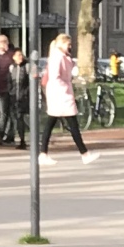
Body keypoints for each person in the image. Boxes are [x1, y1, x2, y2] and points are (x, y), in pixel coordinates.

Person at [39, 31, 90, 161]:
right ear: (61, 44)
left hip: (61, 93)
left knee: (52, 123)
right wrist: (65, 89)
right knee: (72, 124)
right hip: (60, 94)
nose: (70, 46)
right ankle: (84, 153)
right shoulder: (58, 57)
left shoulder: (61, 56)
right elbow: (56, 76)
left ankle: (43, 153)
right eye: (68, 44)